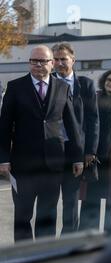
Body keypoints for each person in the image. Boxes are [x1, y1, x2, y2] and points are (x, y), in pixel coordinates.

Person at [0, 45, 83, 241]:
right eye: (33, 61)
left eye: (42, 61)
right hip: (22, 165)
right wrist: (3, 158)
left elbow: (72, 125)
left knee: (47, 216)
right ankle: (24, 258)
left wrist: (77, 157)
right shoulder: (15, 87)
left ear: (52, 63)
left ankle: (43, 257)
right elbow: (3, 128)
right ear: (29, 63)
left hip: (53, 165)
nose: (38, 65)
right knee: (23, 216)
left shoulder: (63, 88)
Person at [52, 42, 100, 234]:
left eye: (64, 59)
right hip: (52, 151)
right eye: (56, 59)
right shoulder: (48, 83)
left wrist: (90, 151)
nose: (60, 63)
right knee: (48, 201)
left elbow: (93, 119)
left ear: (73, 60)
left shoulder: (86, 85)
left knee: (70, 203)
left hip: (76, 153)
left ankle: (67, 244)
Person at [79, 70, 111, 234]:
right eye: (110, 80)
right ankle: (87, 240)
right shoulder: (94, 99)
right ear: (104, 81)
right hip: (93, 158)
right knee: (90, 201)